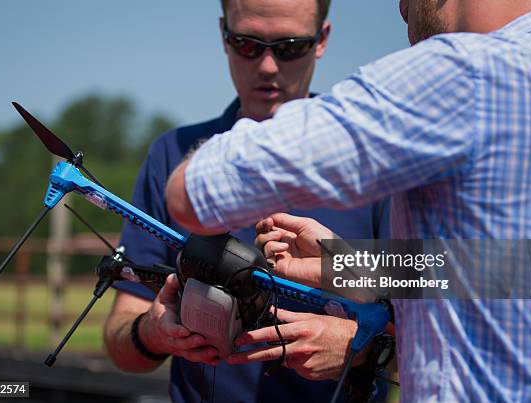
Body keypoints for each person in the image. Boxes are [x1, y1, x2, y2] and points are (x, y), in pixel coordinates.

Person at [165, 0, 531, 401]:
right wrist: (346, 267)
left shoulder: (457, 72)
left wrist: (244, 129)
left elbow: (192, 195)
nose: (401, 9)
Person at [103, 0, 391, 402]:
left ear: (321, 39)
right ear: (224, 35)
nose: (269, 66)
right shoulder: (174, 155)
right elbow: (122, 343)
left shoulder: (378, 157)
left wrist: (360, 344)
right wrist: (152, 332)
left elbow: (445, 302)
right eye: (248, 45)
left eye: (289, 46)